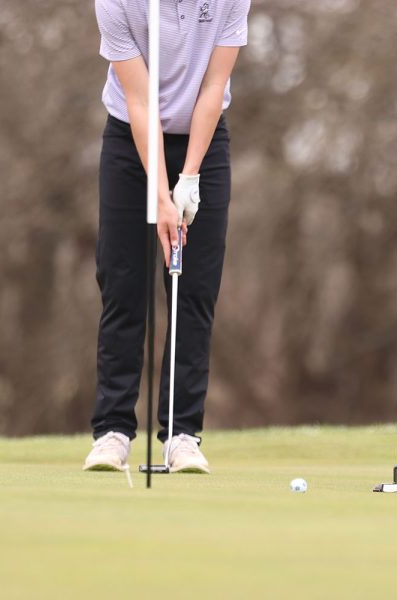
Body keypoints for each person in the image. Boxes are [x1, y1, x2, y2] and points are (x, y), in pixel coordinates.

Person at [84, 0, 251, 474]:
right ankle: (113, 431)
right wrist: (160, 193)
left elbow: (214, 85)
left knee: (193, 290)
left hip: (204, 137)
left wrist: (190, 176)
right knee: (123, 286)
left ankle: (181, 434)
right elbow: (139, 102)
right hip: (129, 138)